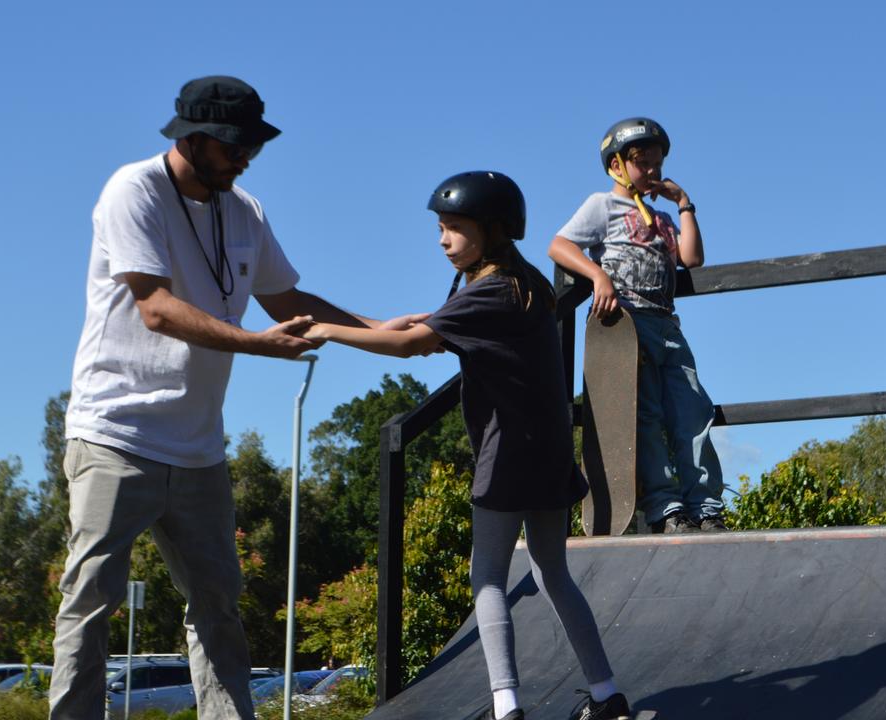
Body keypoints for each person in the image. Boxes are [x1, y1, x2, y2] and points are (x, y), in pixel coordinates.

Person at [51, 75, 421, 720]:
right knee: (92, 598)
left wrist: (380, 332)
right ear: (192, 139)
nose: (245, 157)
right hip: (115, 434)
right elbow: (156, 308)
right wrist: (256, 344)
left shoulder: (243, 209)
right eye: (232, 145)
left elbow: (287, 301)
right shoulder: (132, 190)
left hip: (198, 448)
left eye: (252, 145)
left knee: (217, 603)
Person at [302, 171, 633, 720]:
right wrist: (382, 324)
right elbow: (422, 332)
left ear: (493, 230)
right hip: (550, 453)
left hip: (507, 455)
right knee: (554, 572)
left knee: (487, 579)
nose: (443, 239)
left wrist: (328, 331)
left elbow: (411, 346)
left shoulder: (488, 290)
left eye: (454, 228)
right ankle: (606, 694)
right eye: (440, 228)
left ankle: (506, 707)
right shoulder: (526, 285)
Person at [548, 117, 726, 534]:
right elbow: (559, 245)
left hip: (667, 325)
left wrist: (684, 203)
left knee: (693, 411)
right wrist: (598, 276)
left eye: (658, 165)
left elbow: (692, 258)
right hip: (627, 324)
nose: (653, 173)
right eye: (643, 163)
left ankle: (706, 504)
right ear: (617, 165)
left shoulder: (663, 218)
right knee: (644, 414)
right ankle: (665, 505)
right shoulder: (602, 206)